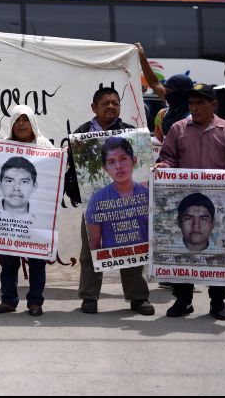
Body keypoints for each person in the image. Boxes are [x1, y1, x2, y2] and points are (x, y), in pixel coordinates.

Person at [156, 83, 225, 320]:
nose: (194, 108)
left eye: (200, 103)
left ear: (213, 105)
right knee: (184, 250)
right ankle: (183, 300)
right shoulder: (178, 129)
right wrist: (163, 167)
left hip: (218, 203)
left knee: (216, 252)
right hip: (185, 201)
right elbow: (168, 157)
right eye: (191, 103)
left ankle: (217, 302)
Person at [65, 86, 154, 316]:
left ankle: (138, 297)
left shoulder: (131, 133)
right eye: (106, 103)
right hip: (96, 205)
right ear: (94, 107)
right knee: (91, 251)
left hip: (130, 204)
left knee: (132, 247)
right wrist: (76, 193)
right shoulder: (80, 134)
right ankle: (89, 297)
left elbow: (145, 165)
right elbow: (73, 170)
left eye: (115, 103)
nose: (111, 107)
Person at [0, 105, 53, 317]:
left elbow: (54, 174)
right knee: (8, 261)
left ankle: (35, 302)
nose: (21, 124)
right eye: (17, 120)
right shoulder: (3, 147)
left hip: (36, 217)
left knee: (37, 261)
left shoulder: (45, 145)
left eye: (25, 120)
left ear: (32, 122)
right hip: (9, 219)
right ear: (12, 124)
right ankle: (8, 300)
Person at [85, 137, 149, 251]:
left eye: (123, 159)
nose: (118, 166)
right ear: (105, 168)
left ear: (134, 161)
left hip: (141, 262)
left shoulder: (148, 195)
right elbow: (94, 245)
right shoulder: (97, 200)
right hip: (112, 265)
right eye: (111, 162)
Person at [153, 73, 194, 143]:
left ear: (182, 93)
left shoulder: (193, 118)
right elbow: (158, 140)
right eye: (165, 91)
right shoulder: (162, 115)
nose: (166, 96)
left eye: (168, 91)